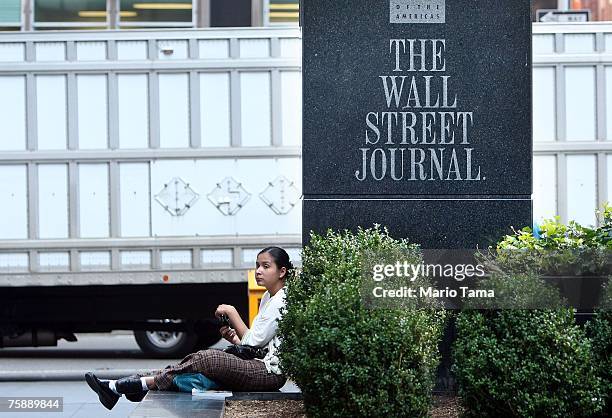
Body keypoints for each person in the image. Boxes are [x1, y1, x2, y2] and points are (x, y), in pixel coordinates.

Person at [85, 246, 291, 410]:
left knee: (206, 359)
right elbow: (257, 344)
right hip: (258, 363)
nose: (258, 271)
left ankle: (123, 386)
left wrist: (231, 312)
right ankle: (124, 386)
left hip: (269, 373)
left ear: (282, 271)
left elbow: (253, 341)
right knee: (195, 371)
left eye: (265, 266)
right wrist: (234, 340)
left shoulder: (282, 300)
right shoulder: (268, 297)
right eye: (257, 265)